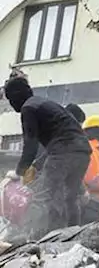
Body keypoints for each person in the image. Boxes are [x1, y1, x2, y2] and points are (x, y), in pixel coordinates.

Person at [3, 75, 91, 238]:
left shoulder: (28, 108)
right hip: (83, 151)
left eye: (9, 98)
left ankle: (43, 237)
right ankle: (73, 235)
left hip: (64, 151)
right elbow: (54, 143)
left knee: (45, 196)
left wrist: (19, 172)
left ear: (16, 96)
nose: (10, 103)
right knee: (69, 197)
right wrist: (36, 165)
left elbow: (31, 143)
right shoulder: (45, 104)